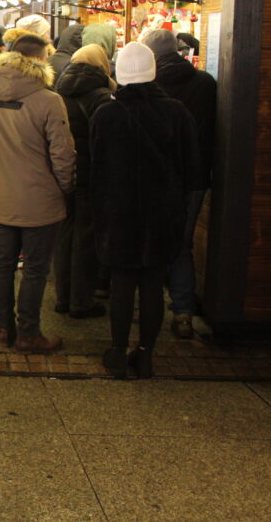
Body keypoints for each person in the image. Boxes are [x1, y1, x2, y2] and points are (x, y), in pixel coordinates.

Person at [0, 34, 76, 354]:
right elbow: (63, 155)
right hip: (42, 200)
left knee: (3, 264)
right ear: (38, 60)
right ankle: (28, 334)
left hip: (4, 197)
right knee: (35, 269)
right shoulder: (49, 101)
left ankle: (3, 329)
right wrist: (65, 187)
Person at [91, 42, 198, 379]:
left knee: (122, 283)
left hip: (118, 213)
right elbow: (192, 170)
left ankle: (118, 352)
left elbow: (96, 168)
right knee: (153, 284)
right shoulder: (177, 113)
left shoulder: (105, 114)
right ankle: (146, 354)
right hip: (163, 213)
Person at [142, 29, 216, 339]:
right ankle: (183, 312)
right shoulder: (206, 83)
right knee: (182, 244)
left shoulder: (147, 84)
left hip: (156, 176)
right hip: (194, 176)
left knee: (149, 240)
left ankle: (146, 310)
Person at [53, 44, 115, 320]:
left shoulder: (58, 92)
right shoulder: (102, 96)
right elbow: (106, 142)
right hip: (90, 176)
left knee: (64, 234)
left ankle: (62, 297)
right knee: (85, 238)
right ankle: (81, 301)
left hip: (63, 172)